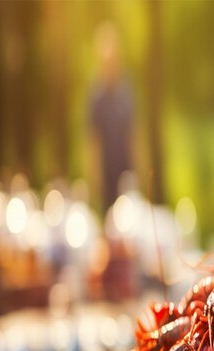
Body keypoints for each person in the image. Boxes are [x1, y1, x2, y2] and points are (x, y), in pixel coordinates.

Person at [87, 21, 135, 217]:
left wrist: (137, 170)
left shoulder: (126, 92)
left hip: (126, 169)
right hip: (106, 173)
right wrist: (94, 178)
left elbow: (134, 133)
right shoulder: (95, 97)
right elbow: (92, 141)